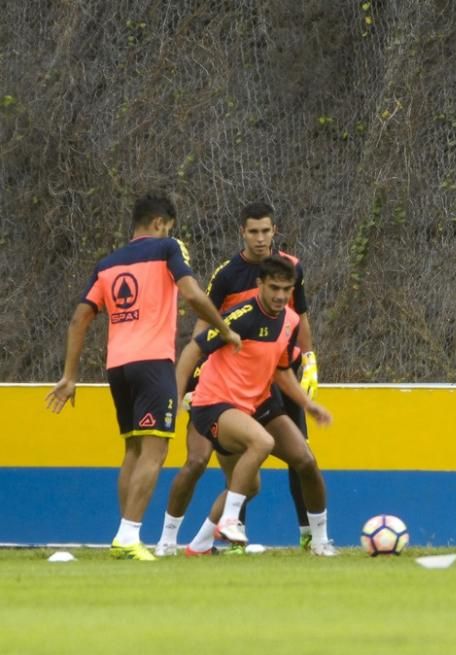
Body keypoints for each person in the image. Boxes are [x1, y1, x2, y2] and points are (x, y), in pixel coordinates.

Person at [45, 194, 240, 561]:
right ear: (160, 224)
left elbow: (79, 319)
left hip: (118, 368)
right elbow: (193, 294)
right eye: (170, 227)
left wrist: (69, 376)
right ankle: (129, 537)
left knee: (132, 451)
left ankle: (124, 534)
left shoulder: (107, 264)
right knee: (156, 450)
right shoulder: (167, 248)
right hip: (153, 364)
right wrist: (224, 329)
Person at [155, 202, 319, 556]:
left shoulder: (291, 274)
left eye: (266, 231)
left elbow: (299, 319)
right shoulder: (229, 277)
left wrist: (309, 360)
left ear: (275, 232)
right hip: (221, 389)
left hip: (266, 384)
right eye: (253, 231)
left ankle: (308, 535)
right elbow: (204, 326)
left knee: (297, 459)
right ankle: (177, 536)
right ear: (242, 233)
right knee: (198, 460)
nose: (261, 238)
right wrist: (187, 386)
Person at [176, 255, 337, 557]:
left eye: (286, 290)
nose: (280, 296)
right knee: (262, 442)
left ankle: (319, 542)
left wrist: (307, 404)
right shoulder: (241, 315)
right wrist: (177, 394)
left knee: (305, 461)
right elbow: (194, 347)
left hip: (257, 402)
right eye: (274, 287)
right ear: (260, 284)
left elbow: (282, 369)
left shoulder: (289, 321)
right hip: (214, 404)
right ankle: (229, 520)